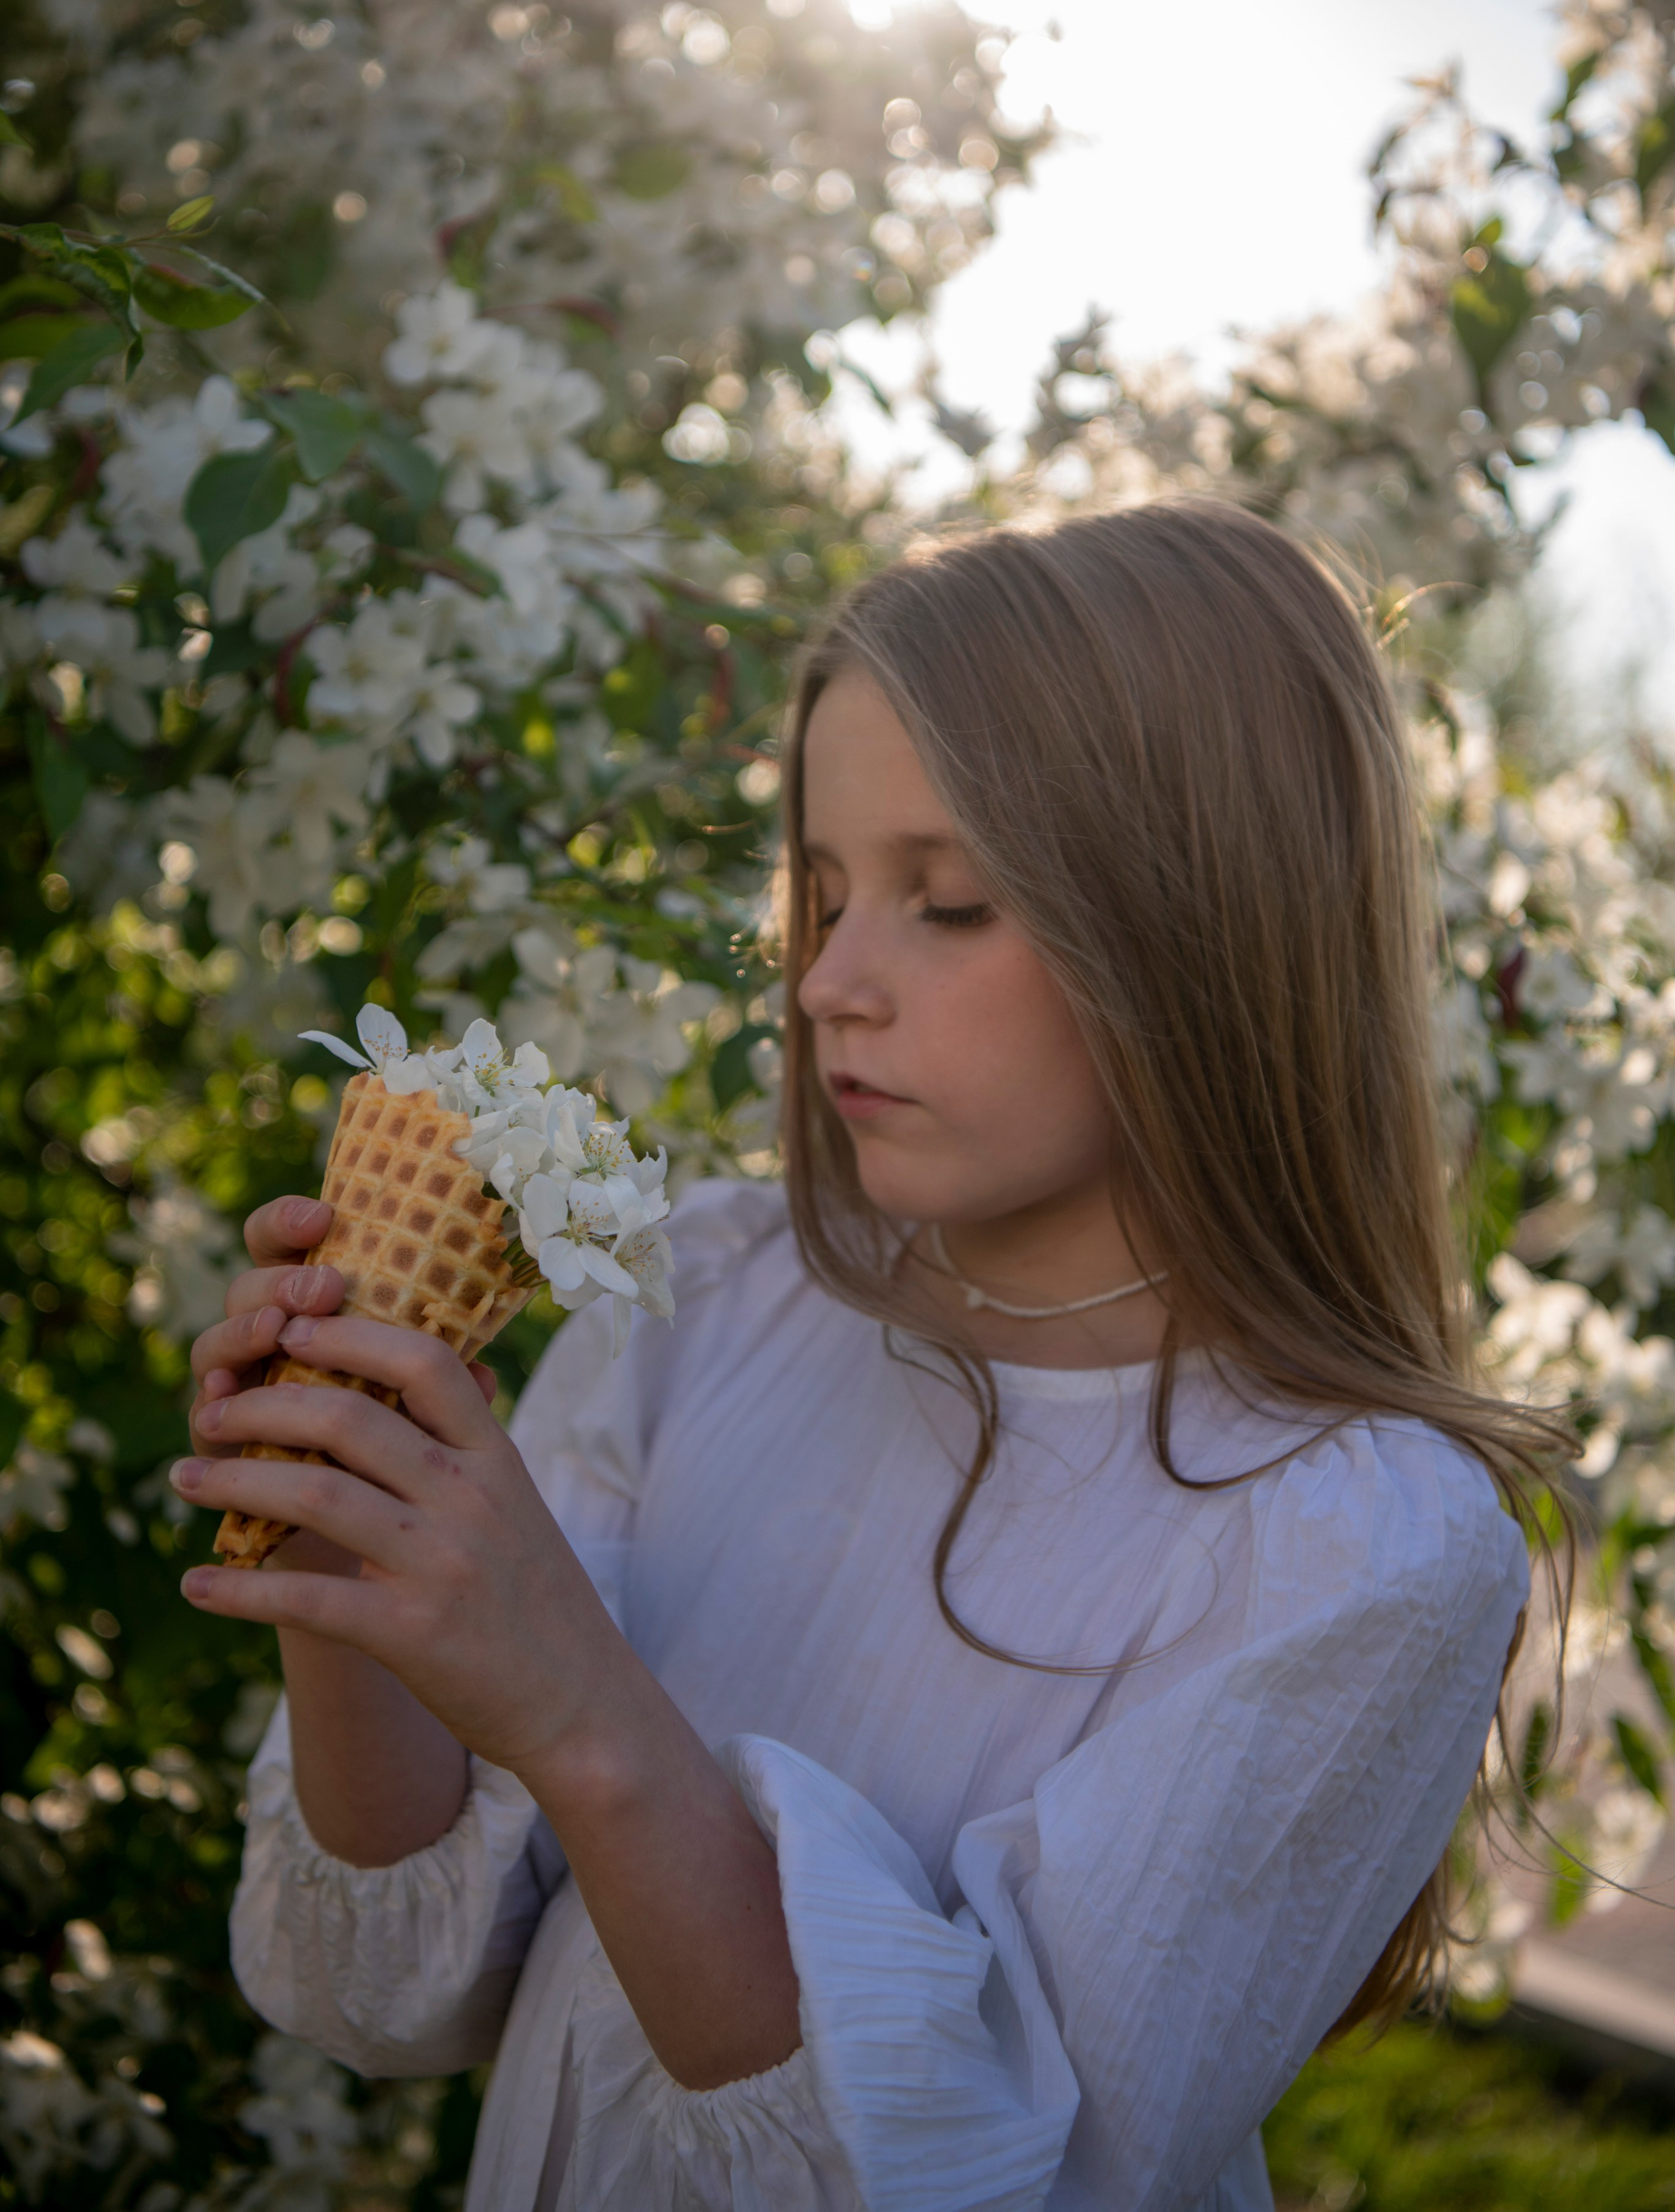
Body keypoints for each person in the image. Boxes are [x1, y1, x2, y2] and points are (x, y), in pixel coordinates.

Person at [174, 502, 1562, 2212]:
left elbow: (992, 2171)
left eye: (950, 901)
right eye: (822, 895)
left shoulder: (1362, 1548)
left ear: (1209, 925)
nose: (831, 980)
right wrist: (347, 1555)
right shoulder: (701, 1296)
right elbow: (381, 1997)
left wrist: (582, 1711)